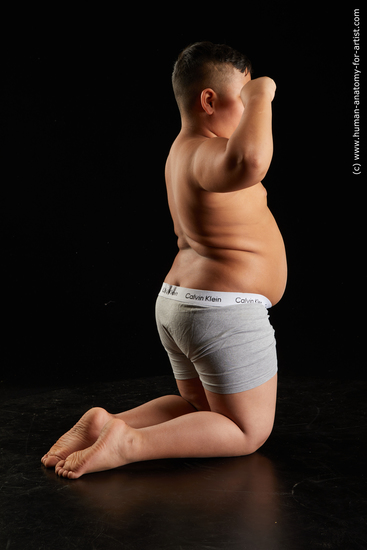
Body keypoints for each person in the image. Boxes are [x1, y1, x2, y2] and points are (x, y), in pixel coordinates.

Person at [41, 41, 287, 479]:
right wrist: (263, 95)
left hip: (181, 304)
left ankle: (110, 424)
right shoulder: (208, 153)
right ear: (209, 100)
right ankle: (131, 443)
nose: (250, 104)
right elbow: (251, 160)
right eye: (242, 95)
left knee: (198, 407)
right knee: (247, 430)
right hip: (221, 313)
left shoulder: (181, 152)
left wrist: (250, 97)